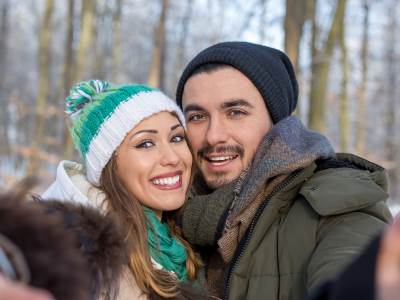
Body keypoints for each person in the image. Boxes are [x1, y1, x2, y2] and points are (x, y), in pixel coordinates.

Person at [174, 41, 392, 300]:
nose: (213, 136)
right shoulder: (164, 213)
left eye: (235, 112)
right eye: (197, 117)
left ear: (276, 123)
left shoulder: (337, 206)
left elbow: (349, 268)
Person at [42, 80, 204, 299]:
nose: (173, 158)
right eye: (145, 143)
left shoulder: (185, 238)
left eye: (176, 138)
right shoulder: (86, 261)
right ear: (109, 166)